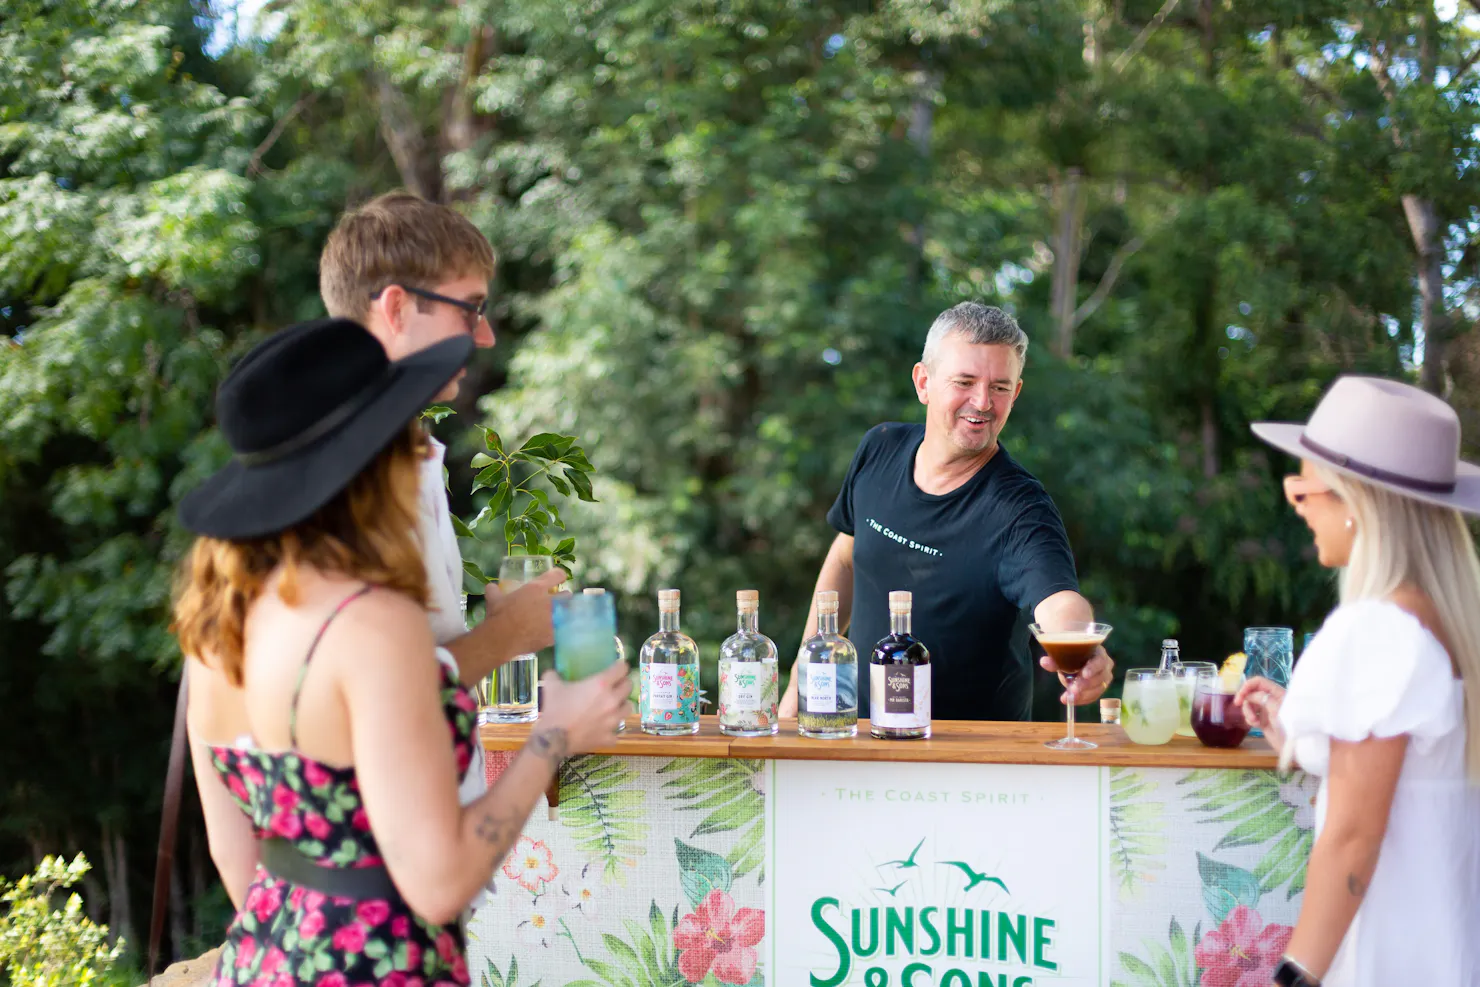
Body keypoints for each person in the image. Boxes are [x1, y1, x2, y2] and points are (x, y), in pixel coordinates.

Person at [175, 318, 631, 986]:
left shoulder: (216, 624)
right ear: (364, 461)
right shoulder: (373, 625)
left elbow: (237, 856)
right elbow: (439, 882)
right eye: (409, 433)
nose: (425, 454)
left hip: (264, 961)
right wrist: (553, 734)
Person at [318, 191, 565, 806]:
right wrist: (510, 634)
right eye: (470, 309)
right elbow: (385, 689)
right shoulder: (351, 465)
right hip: (385, 863)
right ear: (397, 309)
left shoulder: (408, 448)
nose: (484, 337)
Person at [1237, 376, 1480, 987]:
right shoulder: (1451, 622)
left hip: (1389, 955)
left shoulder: (1378, 631)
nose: (1299, 509)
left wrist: (1295, 976)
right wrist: (1297, 727)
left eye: (1302, 492)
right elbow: (1410, 778)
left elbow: (1352, 838)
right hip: (1448, 944)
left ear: (1354, 501)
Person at [778, 302, 1114, 722]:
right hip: (856, 737)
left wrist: (1082, 646)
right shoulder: (879, 449)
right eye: (965, 381)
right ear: (924, 382)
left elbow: (1058, 601)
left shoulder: (1020, 508)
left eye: (1000, 387)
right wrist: (801, 678)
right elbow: (846, 559)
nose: (982, 401)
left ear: (1016, 393)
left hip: (967, 765)